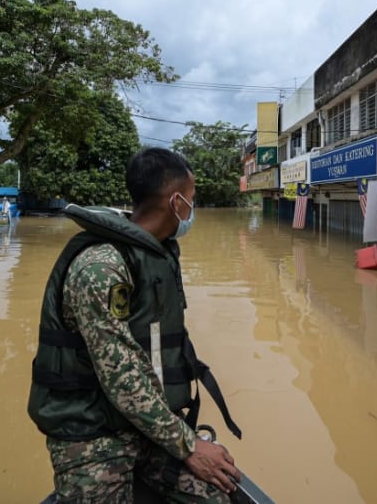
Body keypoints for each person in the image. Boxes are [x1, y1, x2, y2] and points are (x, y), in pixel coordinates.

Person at [28, 147, 242, 503]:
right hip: (91, 433)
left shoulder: (155, 252)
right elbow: (122, 376)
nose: (192, 208)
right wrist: (188, 444)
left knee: (219, 494)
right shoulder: (101, 267)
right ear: (175, 202)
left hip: (148, 424)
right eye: (191, 198)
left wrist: (180, 436)